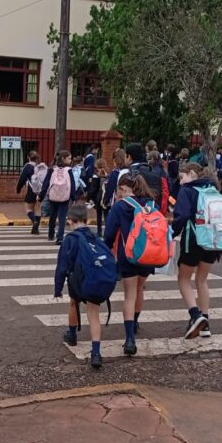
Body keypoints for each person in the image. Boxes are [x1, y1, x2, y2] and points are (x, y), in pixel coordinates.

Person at [104, 174, 157, 357]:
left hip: (128, 255)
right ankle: (135, 323)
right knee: (140, 289)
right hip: (149, 254)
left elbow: (109, 233)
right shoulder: (150, 204)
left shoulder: (120, 207)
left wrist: (106, 249)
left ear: (124, 189)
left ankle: (129, 339)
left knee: (129, 294)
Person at [54, 203, 110, 369]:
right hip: (93, 280)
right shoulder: (94, 238)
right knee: (94, 314)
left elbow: (62, 267)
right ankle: (96, 352)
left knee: (73, 303)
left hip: (76, 282)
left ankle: (72, 334)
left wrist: (57, 289)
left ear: (70, 221)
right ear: (87, 220)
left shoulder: (70, 240)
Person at [172, 163, 222, 339]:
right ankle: (206, 322)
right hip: (212, 240)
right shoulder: (213, 189)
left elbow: (182, 215)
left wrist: (173, 232)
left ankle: (195, 315)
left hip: (193, 239)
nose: (180, 182)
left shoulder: (187, 190)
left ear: (192, 173)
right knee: (202, 280)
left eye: (181, 177)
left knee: (183, 278)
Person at [40, 150, 76, 245]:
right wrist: (74, 197)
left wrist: (41, 195)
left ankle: (50, 234)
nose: (70, 160)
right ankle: (60, 237)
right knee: (62, 217)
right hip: (65, 197)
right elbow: (72, 185)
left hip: (53, 196)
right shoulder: (69, 170)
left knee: (52, 216)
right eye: (69, 158)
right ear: (63, 159)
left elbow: (45, 183)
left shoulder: (52, 169)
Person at [15, 150, 46, 234]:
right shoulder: (41, 166)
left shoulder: (28, 166)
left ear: (28, 157)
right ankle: (35, 229)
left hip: (32, 190)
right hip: (41, 191)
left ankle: (34, 222)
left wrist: (18, 189)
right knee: (38, 208)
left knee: (28, 208)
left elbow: (22, 179)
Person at [85, 157, 109, 236]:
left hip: (98, 198)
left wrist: (89, 198)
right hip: (106, 197)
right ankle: (107, 231)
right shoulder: (108, 174)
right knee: (106, 215)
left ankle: (99, 231)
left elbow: (93, 190)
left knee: (99, 215)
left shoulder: (96, 176)